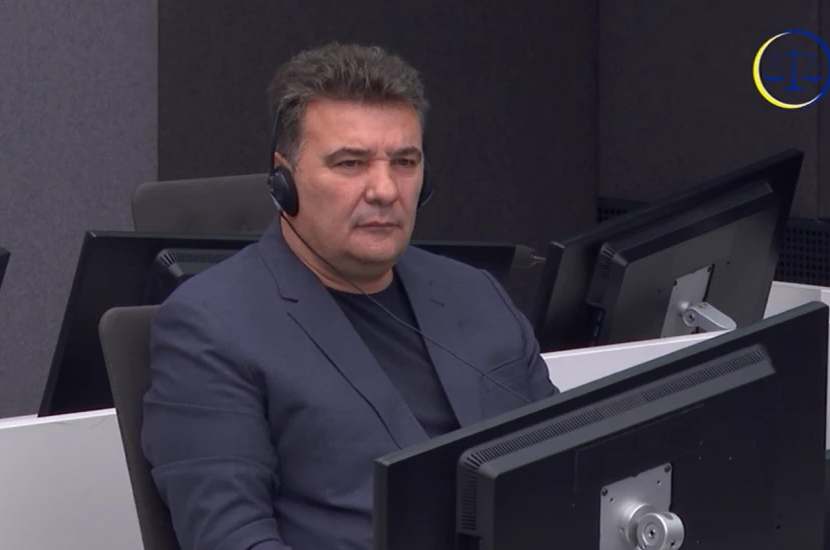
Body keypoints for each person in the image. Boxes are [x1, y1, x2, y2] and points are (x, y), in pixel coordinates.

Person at [140, 42, 559, 550]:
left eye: (404, 162)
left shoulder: (475, 293)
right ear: (283, 181)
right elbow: (231, 539)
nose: (385, 189)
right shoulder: (210, 327)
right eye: (350, 163)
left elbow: (566, 466)